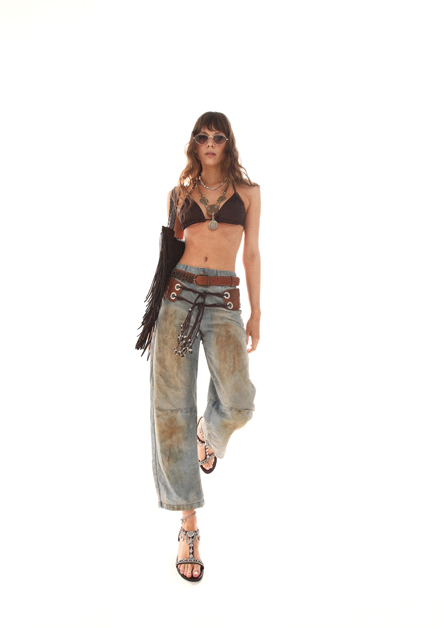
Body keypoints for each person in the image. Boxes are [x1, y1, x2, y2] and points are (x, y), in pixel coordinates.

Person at [149, 111, 261, 581]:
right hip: (179, 296)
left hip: (224, 299)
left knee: (238, 401)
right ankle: (188, 525)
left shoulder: (249, 193)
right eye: (202, 136)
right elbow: (170, 252)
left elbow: (250, 253)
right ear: (194, 143)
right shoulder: (179, 194)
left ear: (227, 142)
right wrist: (156, 312)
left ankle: (208, 434)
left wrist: (257, 312)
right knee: (171, 408)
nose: (210, 142)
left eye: (218, 136)